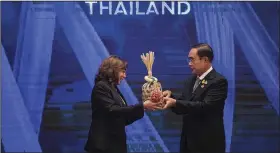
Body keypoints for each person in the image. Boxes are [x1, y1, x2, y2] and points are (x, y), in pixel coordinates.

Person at [84, 56, 160, 153]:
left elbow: (122, 117)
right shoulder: (101, 87)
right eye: (123, 72)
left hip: (115, 145)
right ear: (112, 70)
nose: (125, 76)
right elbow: (112, 110)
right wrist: (142, 106)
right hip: (103, 147)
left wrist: (143, 108)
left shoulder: (113, 88)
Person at [162, 43, 228, 153]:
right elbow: (183, 106)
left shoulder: (218, 81)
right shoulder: (190, 80)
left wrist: (175, 102)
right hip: (188, 142)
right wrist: (169, 97)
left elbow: (206, 107)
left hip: (208, 143)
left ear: (205, 60)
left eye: (192, 60)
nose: (189, 64)